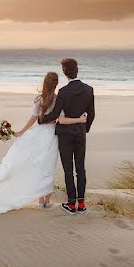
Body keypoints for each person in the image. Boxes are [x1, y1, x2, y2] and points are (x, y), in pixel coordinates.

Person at [0, 72, 87, 217]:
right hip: (52, 136)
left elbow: (33, 118)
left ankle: (41, 199)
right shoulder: (58, 99)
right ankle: (45, 201)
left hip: (38, 134)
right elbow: (59, 118)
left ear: (45, 83)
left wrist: (21, 132)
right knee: (47, 168)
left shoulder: (38, 99)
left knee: (36, 165)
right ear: (55, 84)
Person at [39, 58, 95, 215]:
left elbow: (55, 114)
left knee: (68, 170)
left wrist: (40, 119)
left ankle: (71, 205)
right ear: (77, 69)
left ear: (65, 72)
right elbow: (92, 114)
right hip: (80, 133)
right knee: (81, 169)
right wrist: (84, 128)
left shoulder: (63, 92)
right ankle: (81, 204)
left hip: (64, 135)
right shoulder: (89, 89)